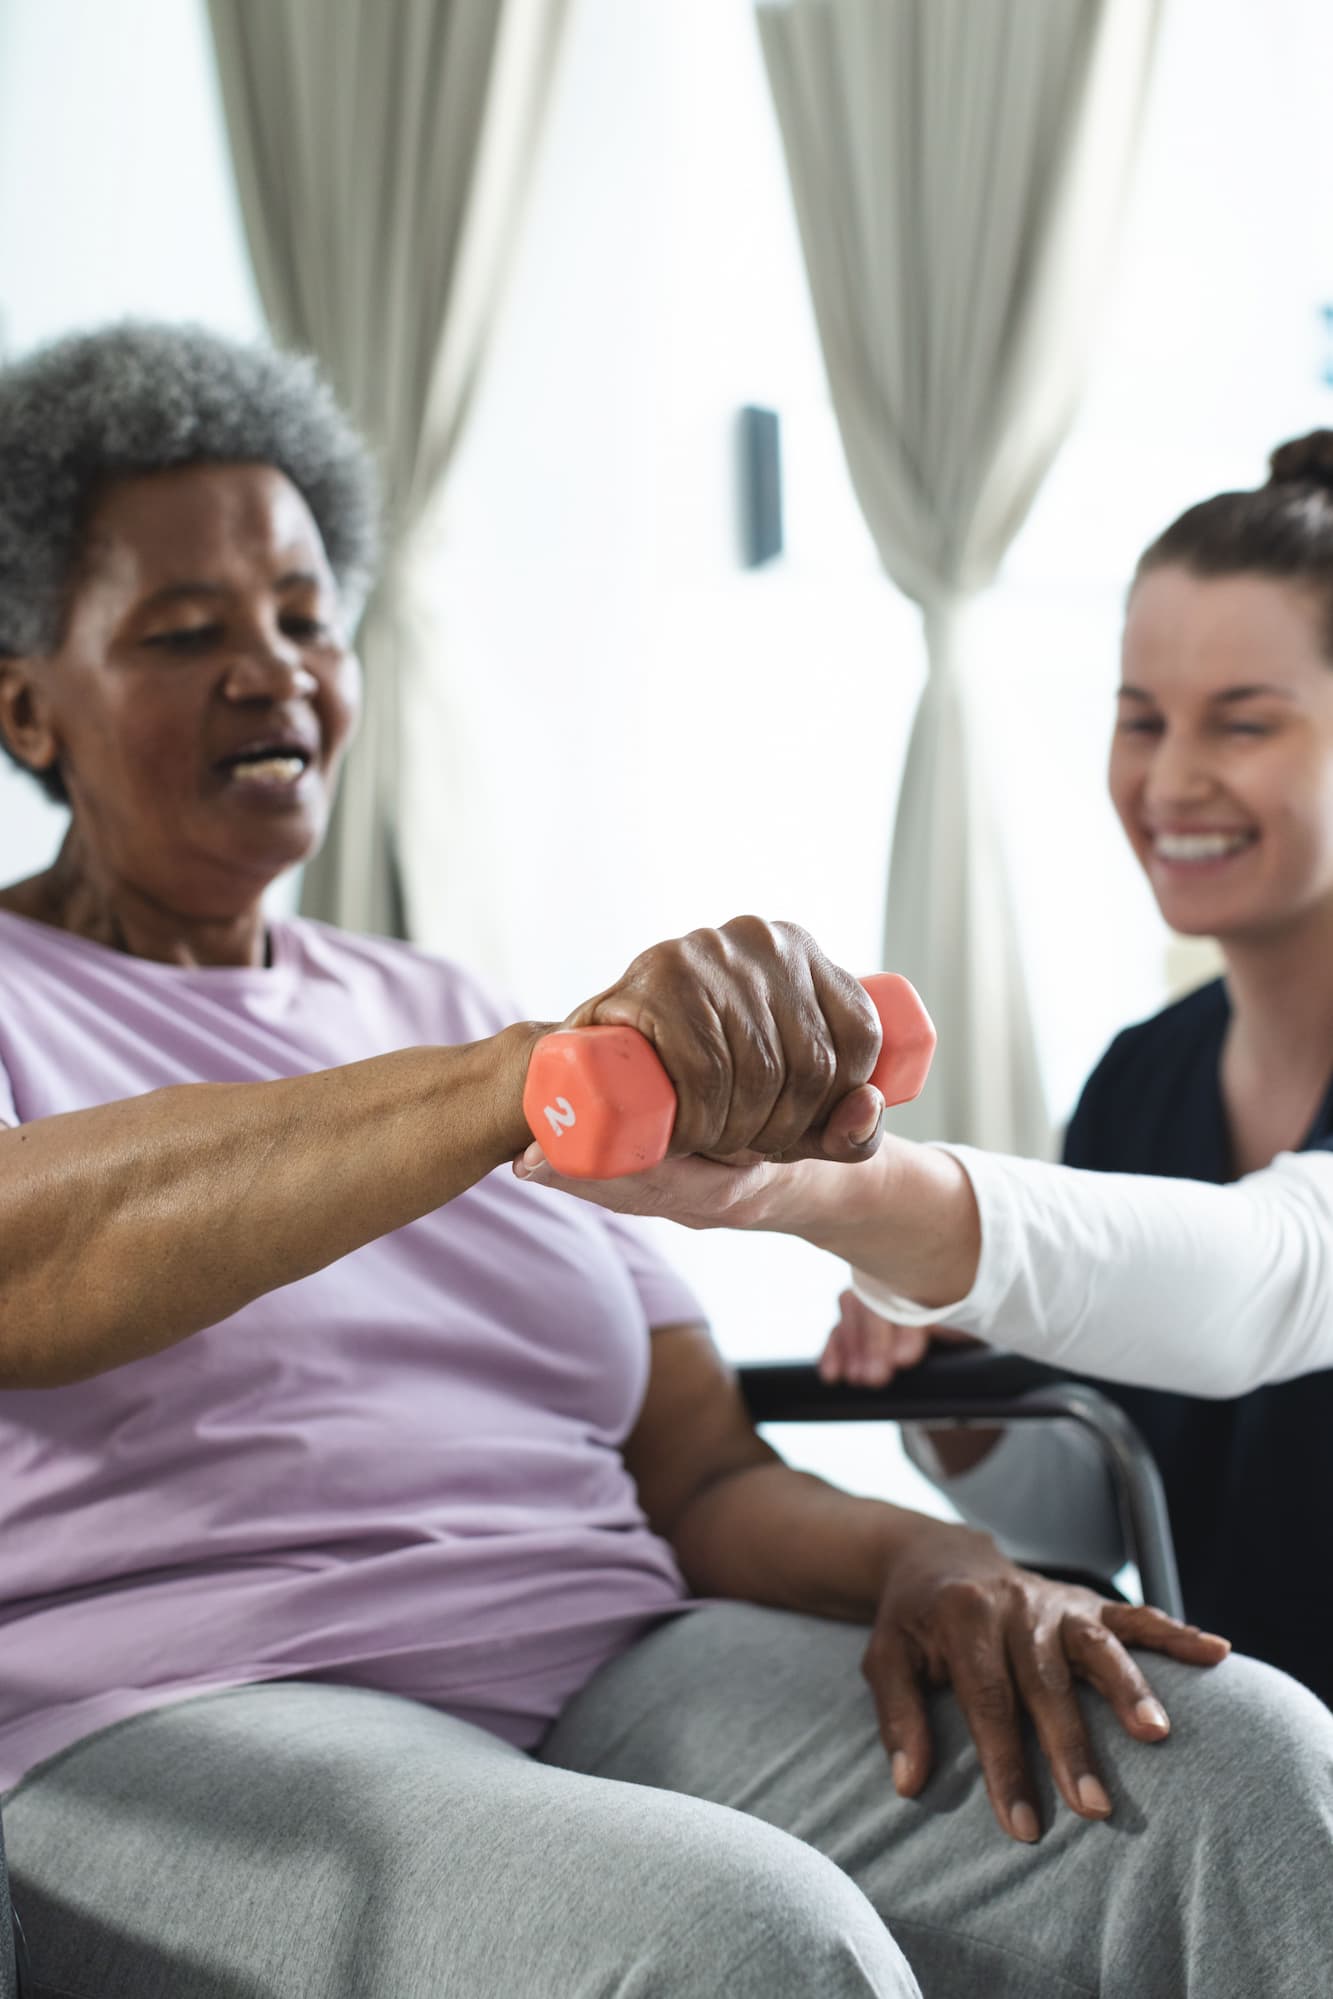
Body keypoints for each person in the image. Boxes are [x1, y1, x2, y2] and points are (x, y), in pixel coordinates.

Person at [0, 324, 1329, 1999]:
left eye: (304, 617)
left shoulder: (440, 1007)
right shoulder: (479, 1058)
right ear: (24, 699)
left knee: (1241, 1768)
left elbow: (699, 1475)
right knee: (738, 1935)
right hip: (181, 1710)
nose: (271, 671)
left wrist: (932, 1556)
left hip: (613, 1655)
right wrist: (515, 1077)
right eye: (187, 631)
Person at [813, 435, 1333, 1706]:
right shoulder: (1140, 1079)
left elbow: (1266, 1280)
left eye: (1242, 723)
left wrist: (898, 1212)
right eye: (1140, 720)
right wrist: (956, 1371)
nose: (1170, 779)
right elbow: (1102, 1506)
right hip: (1251, 1776)